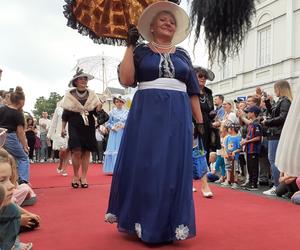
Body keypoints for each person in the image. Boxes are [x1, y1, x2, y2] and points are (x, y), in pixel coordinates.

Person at [105, 1, 204, 243]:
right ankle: (143, 221)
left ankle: (169, 222)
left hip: (179, 115)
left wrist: (200, 123)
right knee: (148, 165)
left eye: (172, 21)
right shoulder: (140, 51)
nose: (169, 23)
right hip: (146, 114)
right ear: (151, 26)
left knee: (172, 167)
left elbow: (192, 90)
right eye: (163, 19)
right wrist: (129, 44)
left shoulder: (183, 55)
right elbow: (128, 79)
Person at [61, 68, 102, 188]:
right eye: (81, 78)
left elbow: (96, 112)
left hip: (88, 125)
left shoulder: (93, 94)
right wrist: (63, 128)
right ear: (75, 81)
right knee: (77, 151)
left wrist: (98, 107)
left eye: (85, 78)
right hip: (74, 124)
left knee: (86, 151)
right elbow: (65, 114)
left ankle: (83, 176)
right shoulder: (69, 94)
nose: (84, 80)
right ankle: (75, 175)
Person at [262, 80, 292, 196]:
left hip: (277, 133)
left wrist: (267, 122)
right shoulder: (282, 101)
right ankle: (279, 186)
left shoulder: (285, 101)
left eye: (275, 89)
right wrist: (268, 102)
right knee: (274, 160)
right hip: (275, 133)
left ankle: (277, 186)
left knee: (274, 160)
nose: (274, 91)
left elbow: (282, 117)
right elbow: (274, 113)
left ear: (280, 88)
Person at [0, 148, 33, 250]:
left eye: (9, 179)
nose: (11, 186)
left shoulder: (11, 209)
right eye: (2, 180)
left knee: (12, 211)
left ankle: (15, 245)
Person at [0, 86, 30, 184]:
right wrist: (25, 145)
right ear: (21, 102)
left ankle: (7, 180)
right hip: (9, 136)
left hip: (1, 134)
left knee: (4, 158)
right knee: (23, 158)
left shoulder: (2, 109)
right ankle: (23, 180)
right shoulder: (18, 114)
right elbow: (20, 132)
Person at [103, 96, 128, 174]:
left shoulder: (127, 112)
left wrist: (125, 125)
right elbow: (107, 122)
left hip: (123, 133)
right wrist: (112, 127)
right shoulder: (111, 112)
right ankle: (113, 169)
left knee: (122, 149)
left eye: (120, 101)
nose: (119, 103)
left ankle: (123, 168)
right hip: (114, 133)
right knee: (113, 149)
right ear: (115, 103)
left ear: (123, 102)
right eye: (117, 102)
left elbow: (130, 122)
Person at [240, 106, 262, 191]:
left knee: (254, 167)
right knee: (249, 166)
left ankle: (254, 184)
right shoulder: (251, 124)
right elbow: (249, 136)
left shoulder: (256, 124)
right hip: (249, 149)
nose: (247, 114)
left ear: (253, 113)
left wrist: (246, 142)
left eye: (249, 112)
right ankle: (250, 182)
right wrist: (245, 141)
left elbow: (258, 138)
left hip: (254, 149)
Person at [47, 100, 69, 176]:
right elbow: (54, 122)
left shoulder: (73, 108)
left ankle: (64, 169)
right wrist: (49, 135)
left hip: (71, 132)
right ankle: (61, 162)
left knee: (68, 151)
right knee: (63, 150)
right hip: (60, 133)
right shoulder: (58, 109)